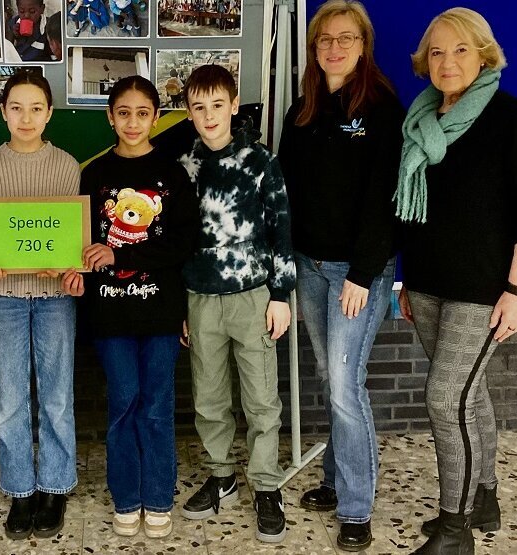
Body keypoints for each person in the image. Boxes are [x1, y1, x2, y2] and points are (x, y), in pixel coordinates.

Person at [395, 8, 517, 555]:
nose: (447, 61)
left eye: (460, 49)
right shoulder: (418, 121)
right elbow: (406, 211)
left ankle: (455, 530)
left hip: (485, 291)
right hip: (426, 284)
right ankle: (483, 495)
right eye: (436, 52)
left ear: (484, 54)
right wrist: (404, 281)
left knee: (444, 399)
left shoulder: (513, 118)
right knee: (470, 395)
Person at [276, 1, 404, 551]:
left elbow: (386, 199)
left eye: (345, 38)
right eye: (324, 39)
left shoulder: (380, 107)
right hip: (309, 266)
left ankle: (356, 507)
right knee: (332, 379)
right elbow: (283, 194)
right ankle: (334, 478)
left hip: (358, 274)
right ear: (314, 48)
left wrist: (364, 272)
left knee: (347, 389)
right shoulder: (301, 110)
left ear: (362, 44)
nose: (333, 47)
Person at [0, 69, 82, 540]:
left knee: (56, 394)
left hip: (54, 298)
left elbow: (72, 231)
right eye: (16, 108)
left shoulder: (68, 166)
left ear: (50, 113)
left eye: (36, 108)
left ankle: (55, 485)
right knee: (10, 399)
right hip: (3, 297)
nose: (26, 117)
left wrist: (67, 260)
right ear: (3, 112)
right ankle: (20, 489)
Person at [177, 64, 295, 544]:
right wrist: (178, 306)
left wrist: (282, 295)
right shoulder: (183, 165)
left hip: (252, 296)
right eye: (199, 107)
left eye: (217, 105)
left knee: (261, 398)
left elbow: (281, 227)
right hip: (200, 297)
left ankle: (267, 486)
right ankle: (222, 475)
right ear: (188, 111)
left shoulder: (260, 160)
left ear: (233, 105)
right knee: (209, 397)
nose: (209, 116)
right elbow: (176, 239)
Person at [78, 76, 199, 538]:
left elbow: (180, 243)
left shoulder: (172, 173)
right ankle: (127, 496)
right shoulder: (95, 175)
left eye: (142, 113)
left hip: (160, 313)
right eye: (123, 112)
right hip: (110, 314)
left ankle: (158, 497)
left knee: (156, 405)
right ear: (110, 117)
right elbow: (81, 242)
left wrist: (120, 254)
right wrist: (79, 267)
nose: (132, 122)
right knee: (123, 402)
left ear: (155, 116)